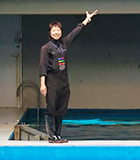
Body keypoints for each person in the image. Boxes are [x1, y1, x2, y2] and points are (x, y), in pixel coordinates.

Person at [39, 10, 97, 143]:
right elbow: (43, 66)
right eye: (53, 30)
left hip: (64, 82)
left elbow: (75, 32)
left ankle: (58, 134)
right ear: (49, 32)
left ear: (61, 31)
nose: (56, 32)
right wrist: (43, 84)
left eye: (58, 30)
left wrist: (87, 20)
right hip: (52, 81)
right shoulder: (46, 48)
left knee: (61, 109)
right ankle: (51, 136)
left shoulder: (64, 43)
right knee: (51, 108)